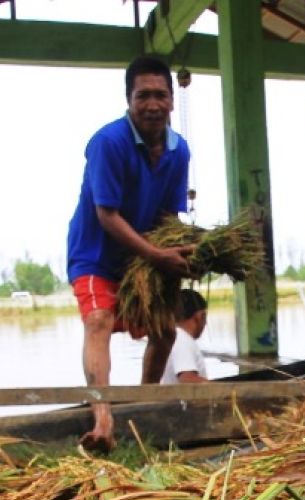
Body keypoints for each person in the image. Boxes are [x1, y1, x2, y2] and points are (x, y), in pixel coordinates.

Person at [67, 55, 194, 451]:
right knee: (99, 321)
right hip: (96, 255)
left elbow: (167, 214)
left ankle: (142, 404)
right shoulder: (108, 143)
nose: (152, 104)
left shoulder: (179, 151)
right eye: (143, 96)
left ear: (172, 100)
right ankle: (103, 420)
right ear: (129, 100)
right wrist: (158, 255)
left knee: (164, 331)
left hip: (140, 258)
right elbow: (107, 215)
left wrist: (178, 251)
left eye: (160, 95)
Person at [161, 289, 209, 384]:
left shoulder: (176, 337)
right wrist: (229, 390)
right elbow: (188, 379)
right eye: (205, 317)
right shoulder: (182, 340)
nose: (206, 323)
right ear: (199, 317)